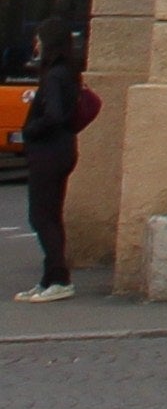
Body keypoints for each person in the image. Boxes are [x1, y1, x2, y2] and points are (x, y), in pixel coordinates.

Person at [18, 30, 92, 301]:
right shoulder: (68, 73)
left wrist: (29, 131)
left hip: (48, 152)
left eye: (39, 38)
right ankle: (50, 278)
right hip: (63, 150)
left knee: (40, 216)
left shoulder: (53, 76)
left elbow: (54, 115)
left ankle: (59, 279)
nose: (35, 43)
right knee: (51, 215)